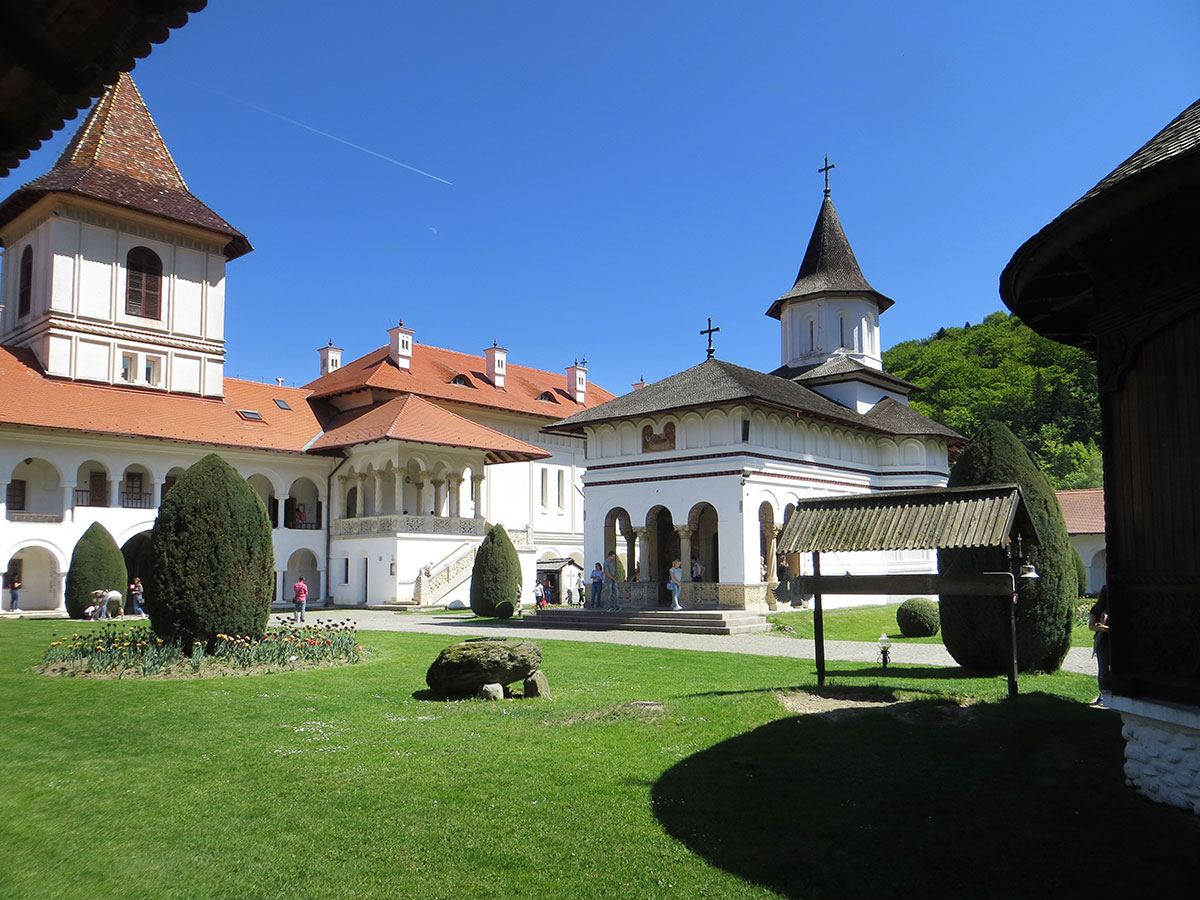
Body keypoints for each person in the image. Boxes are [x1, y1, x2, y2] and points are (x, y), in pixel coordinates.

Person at [1088, 587, 1111, 705]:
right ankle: (1103, 693)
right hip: (1103, 640)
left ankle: (1113, 691)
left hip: (1114, 641)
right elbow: (1091, 626)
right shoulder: (1097, 609)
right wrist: (1101, 628)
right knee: (1103, 667)